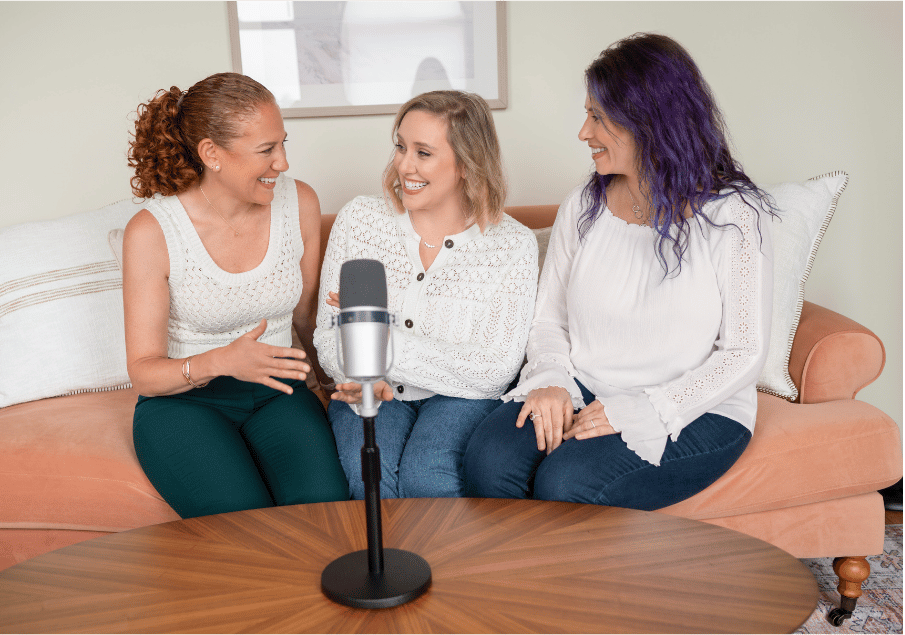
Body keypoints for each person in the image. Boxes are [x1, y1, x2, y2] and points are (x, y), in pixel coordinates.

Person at [463, 33, 776, 511]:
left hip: (698, 408)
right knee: (490, 459)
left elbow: (742, 352)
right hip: (586, 384)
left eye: (599, 117)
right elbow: (549, 320)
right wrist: (550, 379)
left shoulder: (735, 216)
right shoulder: (584, 206)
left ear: (650, 122)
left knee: (566, 483)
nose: (584, 133)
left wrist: (648, 408)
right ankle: (522, 584)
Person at [124, 72, 348, 519]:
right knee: (242, 520)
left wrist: (330, 384)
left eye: (282, 143)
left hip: (277, 394)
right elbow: (145, 374)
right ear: (212, 154)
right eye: (266, 150)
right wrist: (220, 361)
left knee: (324, 515)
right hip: (183, 406)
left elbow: (305, 316)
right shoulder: (154, 231)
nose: (282, 163)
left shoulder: (298, 202)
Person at [315, 90, 539, 500]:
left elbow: (494, 369)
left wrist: (377, 342)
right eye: (400, 146)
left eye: (423, 153)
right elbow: (329, 339)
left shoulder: (512, 245)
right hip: (370, 389)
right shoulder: (359, 220)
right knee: (371, 480)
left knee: (428, 481)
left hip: (461, 400)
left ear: (468, 165)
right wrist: (362, 369)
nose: (404, 165)